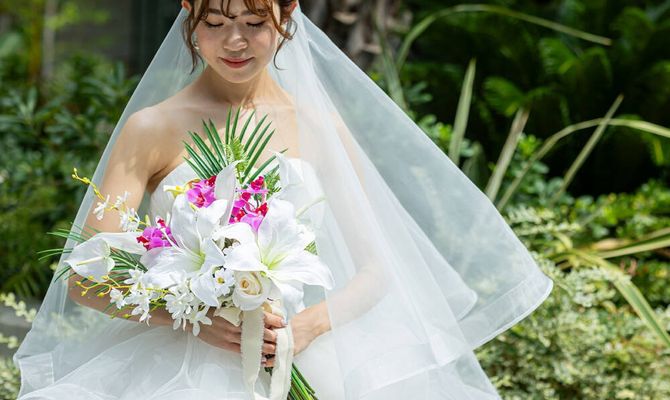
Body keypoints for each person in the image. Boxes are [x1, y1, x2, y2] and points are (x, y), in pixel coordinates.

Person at [13, 1, 554, 399]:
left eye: (254, 23)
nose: (235, 42)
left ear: (287, 13)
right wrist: (191, 318)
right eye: (215, 23)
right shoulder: (152, 128)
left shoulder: (319, 126)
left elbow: (375, 270)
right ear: (189, 17)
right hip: (179, 362)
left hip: (310, 355)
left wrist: (308, 327)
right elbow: (88, 276)